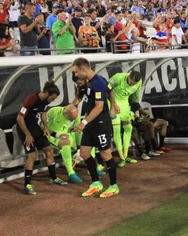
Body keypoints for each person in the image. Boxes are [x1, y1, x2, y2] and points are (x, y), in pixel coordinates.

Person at [72, 57, 119, 198]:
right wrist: (113, 104)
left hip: (100, 123)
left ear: (83, 69)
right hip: (90, 123)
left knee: (105, 154)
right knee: (85, 153)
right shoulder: (91, 82)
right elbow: (110, 91)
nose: (75, 75)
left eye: (75, 72)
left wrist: (83, 123)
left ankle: (113, 185)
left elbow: (98, 108)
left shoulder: (98, 82)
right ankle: (96, 183)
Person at [16, 81, 68, 195]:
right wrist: (28, 135)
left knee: (48, 150)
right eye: (53, 98)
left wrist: (45, 127)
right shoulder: (31, 99)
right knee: (32, 155)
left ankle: (53, 178)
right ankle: (27, 185)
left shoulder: (44, 101)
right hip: (23, 128)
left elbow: (43, 113)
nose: (53, 100)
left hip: (35, 127)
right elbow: (19, 118)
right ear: (47, 93)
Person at [109, 71, 142, 166]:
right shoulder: (118, 78)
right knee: (117, 129)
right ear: (129, 77)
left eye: (134, 84)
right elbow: (106, 90)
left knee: (129, 128)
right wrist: (114, 104)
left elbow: (135, 98)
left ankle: (125, 155)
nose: (132, 85)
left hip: (124, 105)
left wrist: (137, 113)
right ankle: (121, 158)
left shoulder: (138, 82)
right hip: (113, 103)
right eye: (131, 83)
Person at [46, 104, 83, 183]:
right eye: (71, 119)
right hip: (52, 137)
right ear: (66, 113)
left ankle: (93, 168)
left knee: (88, 141)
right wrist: (58, 135)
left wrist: (79, 150)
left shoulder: (75, 116)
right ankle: (71, 173)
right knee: (66, 142)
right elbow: (43, 128)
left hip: (67, 135)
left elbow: (78, 132)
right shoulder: (53, 112)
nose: (72, 121)